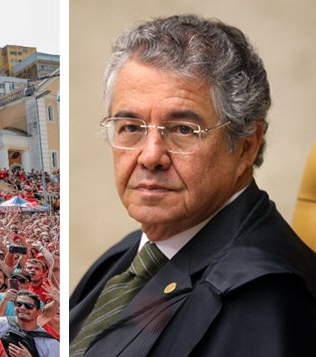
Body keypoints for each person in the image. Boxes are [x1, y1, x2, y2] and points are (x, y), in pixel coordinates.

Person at [69, 15, 316, 356]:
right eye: (130, 127)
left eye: (183, 129)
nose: (150, 156)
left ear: (246, 145)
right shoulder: (136, 251)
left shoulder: (266, 299)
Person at [0, 291, 58, 357]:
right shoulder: (1, 323)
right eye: (18, 304)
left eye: (29, 306)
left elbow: (47, 315)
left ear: (39, 312)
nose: (22, 308)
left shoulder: (51, 343)